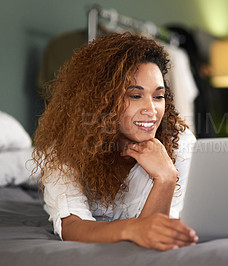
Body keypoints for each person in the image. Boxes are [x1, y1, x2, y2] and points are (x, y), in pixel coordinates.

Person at [32, 33, 198, 251]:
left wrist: (166, 178)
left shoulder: (180, 143)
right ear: (102, 99)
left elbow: (158, 233)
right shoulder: (67, 147)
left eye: (158, 96)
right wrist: (130, 229)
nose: (151, 110)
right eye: (135, 96)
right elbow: (72, 225)